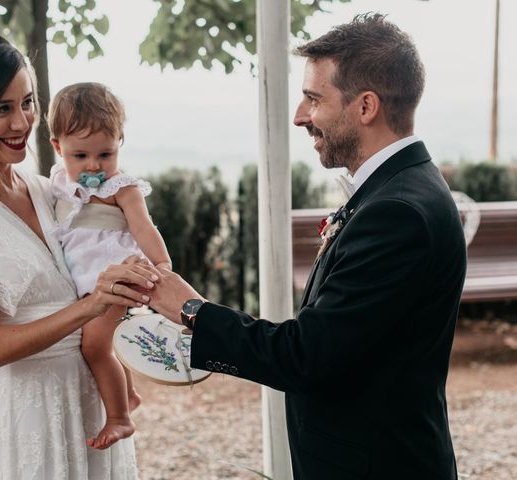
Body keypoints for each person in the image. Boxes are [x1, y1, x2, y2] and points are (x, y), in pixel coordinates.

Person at [148, 13, 466, 480]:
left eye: (314, 99)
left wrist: (193, 310)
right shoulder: (398, 189)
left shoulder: (397, 212)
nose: (300, 116)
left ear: (366, 107)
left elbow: (306, 356)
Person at [0, 31, 158, 479]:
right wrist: (91, 306)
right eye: (1, 109)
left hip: (88, 406)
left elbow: (107, 242)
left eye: (27, 102)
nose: (22, 122)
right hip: (24, 413)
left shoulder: (47, 188)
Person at [47, 82, 172, 449]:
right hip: (89, 284)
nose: (93, 166)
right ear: (58, 148)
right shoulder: (58, 183)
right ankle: (128, 393)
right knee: (106, 341)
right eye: (80, 156)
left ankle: (120, 417)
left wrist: (161, 264)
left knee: (95, 348)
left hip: (117, 279)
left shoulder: (121, 187)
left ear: (120, 142)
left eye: (105, 154)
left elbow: (143, 227)